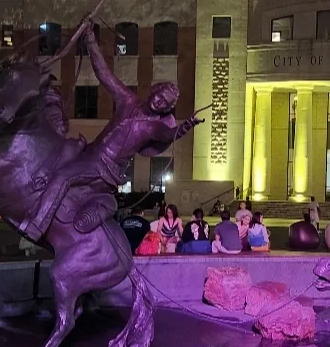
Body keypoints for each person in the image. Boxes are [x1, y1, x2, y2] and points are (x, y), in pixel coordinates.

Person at [21, 21, 202, 241]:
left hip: (103, 166)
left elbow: (168, 135)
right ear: (153, 90)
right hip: (89, 152)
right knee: (60, 152)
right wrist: (89, 39)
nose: (159, 101)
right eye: (159, 95)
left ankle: (35, 227)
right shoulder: (127, 99)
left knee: (63, 176)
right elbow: (104, 73)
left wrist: (184, 128)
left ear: (166, 109)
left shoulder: (155, 127)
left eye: (164, 103)